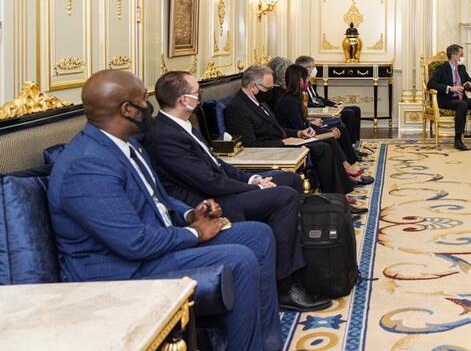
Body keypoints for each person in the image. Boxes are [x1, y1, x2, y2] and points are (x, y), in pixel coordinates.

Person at [48, 70, 281, 351]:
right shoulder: (87, 166)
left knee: (257, 235)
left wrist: (191, 214)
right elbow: (133, 242)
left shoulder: (127, 145)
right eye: (143, 101)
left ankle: (267, 342)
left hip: (156, 246)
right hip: (122, 269)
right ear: (128, 110)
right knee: (239, 258)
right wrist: (194, 233)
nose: (149, 107)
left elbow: (159, 198)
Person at [144, 71, 329, 312]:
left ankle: (296, 254)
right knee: (284, 196)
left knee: (289, 179)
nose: (200, 96)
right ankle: (284, 286)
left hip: (221, 190)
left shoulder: (185, 127)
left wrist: (252, 178)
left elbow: (218, 165)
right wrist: (254, 186)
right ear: (184, 100)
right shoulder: (165, 136)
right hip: (208, 203)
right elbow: (207, 182)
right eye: (197, 92)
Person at [224, 66, 366, 214]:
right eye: (268, 88)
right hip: (270, 150)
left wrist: (299, 133)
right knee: (322, 148)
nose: (271, 92)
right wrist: (283, 142)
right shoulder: (238, 108)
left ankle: (339, 198)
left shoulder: (259, 102)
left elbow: (277, 128)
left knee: (328, 141)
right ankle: (335, 203)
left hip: (282, 142)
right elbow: (250, 145)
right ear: (254, 86)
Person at [275, 64, 372, 187]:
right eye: (305, 79)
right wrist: (325, 130)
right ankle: (348, 169)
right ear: (299, 80)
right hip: (297, 138)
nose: (307, 82)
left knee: (337, 131)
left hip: (304, 132)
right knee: (331, 137)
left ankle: (348, 168)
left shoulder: (294, 98)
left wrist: (313, 123)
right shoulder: (288, 101)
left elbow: (300, 122)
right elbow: (300, 128)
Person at [294, 55, 368, 157]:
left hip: (321, 107)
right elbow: (308, 103)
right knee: (349, 113)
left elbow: (317, 98)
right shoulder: (300, 84)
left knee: (356, 109)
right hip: (317, 110)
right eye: (312, 66)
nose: (314, 69)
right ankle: (350, 148)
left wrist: (334, 104)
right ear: (304, 68)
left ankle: (354, 144)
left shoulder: (308, 81)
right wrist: (326, 107)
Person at [427, 44, 471, 151]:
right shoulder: (442, 68)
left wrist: (468, 84)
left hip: (461, 98)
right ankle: (458, 140)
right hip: (447, 100)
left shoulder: (462, 68)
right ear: (454, 55)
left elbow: (470, 82)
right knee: (462, 104)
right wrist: (450, 88)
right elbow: (431, 84)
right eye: (461, 54)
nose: (463, 57)